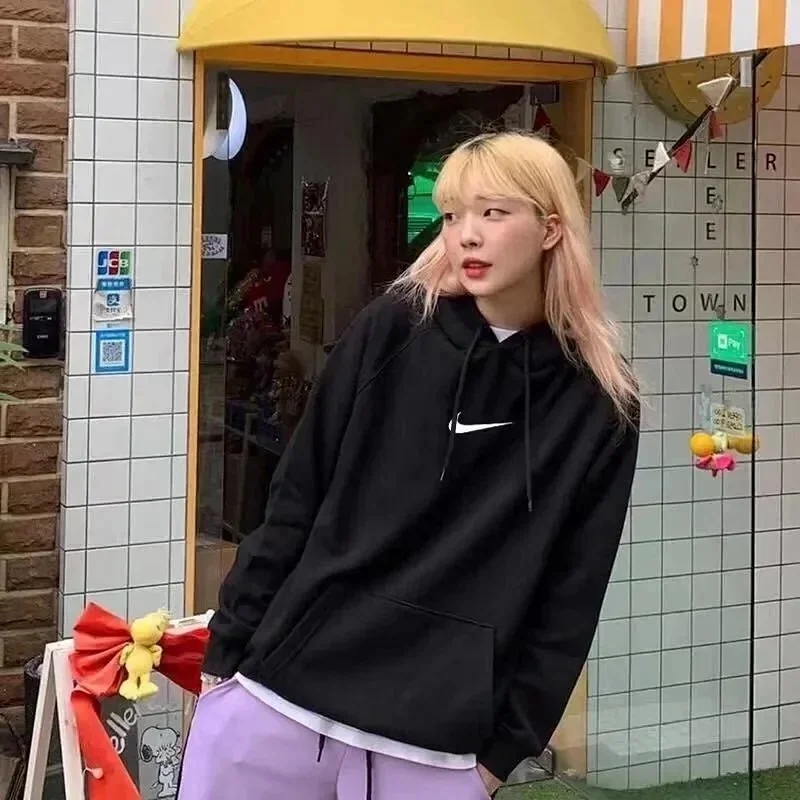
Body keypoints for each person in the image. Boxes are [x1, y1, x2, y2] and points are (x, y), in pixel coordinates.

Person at [178, 131, 640, 800]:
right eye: (452, 215)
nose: (466, 235)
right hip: (280, 702)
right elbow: (297, 496)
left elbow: (572, 593)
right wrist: (226, 650)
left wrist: (501, 754)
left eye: (493, 212)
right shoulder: (391, 330)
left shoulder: (600, 401)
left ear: (550, 229)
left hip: (438, 750)